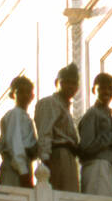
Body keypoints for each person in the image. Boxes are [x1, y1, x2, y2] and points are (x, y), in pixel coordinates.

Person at [34, 64, 82, 192]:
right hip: (58, 154)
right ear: (57, 82)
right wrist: (45, 160)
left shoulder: (66, 107)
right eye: (66, 82)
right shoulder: (49, 103)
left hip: (69, 156)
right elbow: (45, 132)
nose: (71, 86)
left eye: (74, 83)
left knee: (71, 198)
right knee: (61, 196)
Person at [78, 73, 112, 197]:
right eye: (102, 88)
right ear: (94, 90)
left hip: (107, 165)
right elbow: (87, 146)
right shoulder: (92, 114)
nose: (107, 92)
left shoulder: (109, 114)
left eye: (110, 88)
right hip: (96, 166)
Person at [0, 76, 37, 187]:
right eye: (20, 92)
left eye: (28, 92)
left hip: (24, 164)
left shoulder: (26, 117)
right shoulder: (14, 115)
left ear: (32, 96)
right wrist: (23, 172)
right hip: (14, 168)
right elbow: (15, 145)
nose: (24, 95)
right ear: (12, 95)